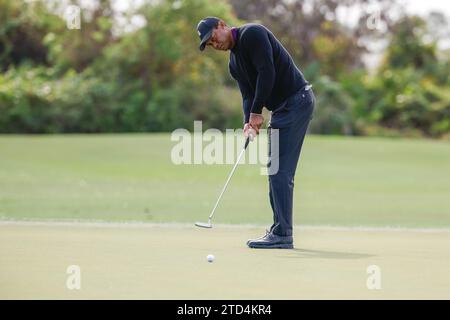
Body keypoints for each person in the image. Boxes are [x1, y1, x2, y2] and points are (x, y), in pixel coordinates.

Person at [196, 17, 315, 249]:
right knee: (275, 169)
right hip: (284, 108)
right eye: (209, 44)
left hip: (296, 101)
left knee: (279, 171)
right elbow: (248, 95)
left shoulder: (253, 34)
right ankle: (279, 229)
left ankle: (283, 234)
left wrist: (257, 113)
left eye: (213, 38)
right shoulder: (234, 63)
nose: (214, 44)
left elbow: (266, 71)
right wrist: (248, 122)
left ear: (222, 25)